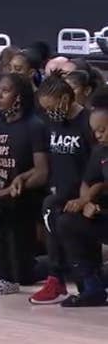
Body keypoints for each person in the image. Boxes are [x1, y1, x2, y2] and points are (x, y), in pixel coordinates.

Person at [0, 73, 49, 295]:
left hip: (27, 195)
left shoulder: (34, 126)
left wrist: (6, 191)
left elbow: (42, 172)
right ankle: (8, 273)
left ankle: (5, 278)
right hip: (1, 194)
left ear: (19, 97)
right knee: (25, 274)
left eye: (5, 91)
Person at [30, 76, 95, 304]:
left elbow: (96, 164)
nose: (48, 113)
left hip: (86, 194)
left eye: (51, 107)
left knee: (58, 216)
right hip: (61, 191)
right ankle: (56, 278)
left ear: (66, 98)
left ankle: (79, 282)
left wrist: (86, 197)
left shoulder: (89, 122)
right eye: (44, 109)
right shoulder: (54, 123)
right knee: (51, 211)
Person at [56, 87, 108, 307]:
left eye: (103, 130)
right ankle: (91, 287)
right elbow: (90, 180)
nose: (98, 135)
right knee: (67, 221)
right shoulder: (100, 151)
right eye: (95, 131)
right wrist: (86, 201)